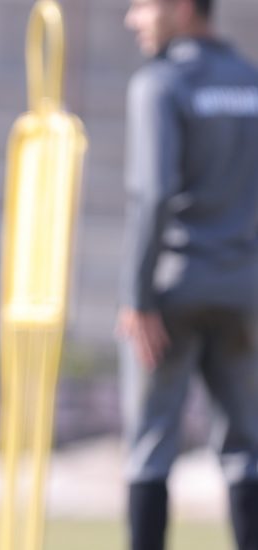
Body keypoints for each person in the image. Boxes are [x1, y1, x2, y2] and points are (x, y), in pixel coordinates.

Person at [118, 0, 258, 548]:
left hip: (170, 291)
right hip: (243, 291)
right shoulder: (250, 82)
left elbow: (152, 194)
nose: (132, 19)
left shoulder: (160, 83)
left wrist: (137, 297)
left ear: (179, 7)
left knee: (150, 448)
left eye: (141, 5)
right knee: (247, 450)